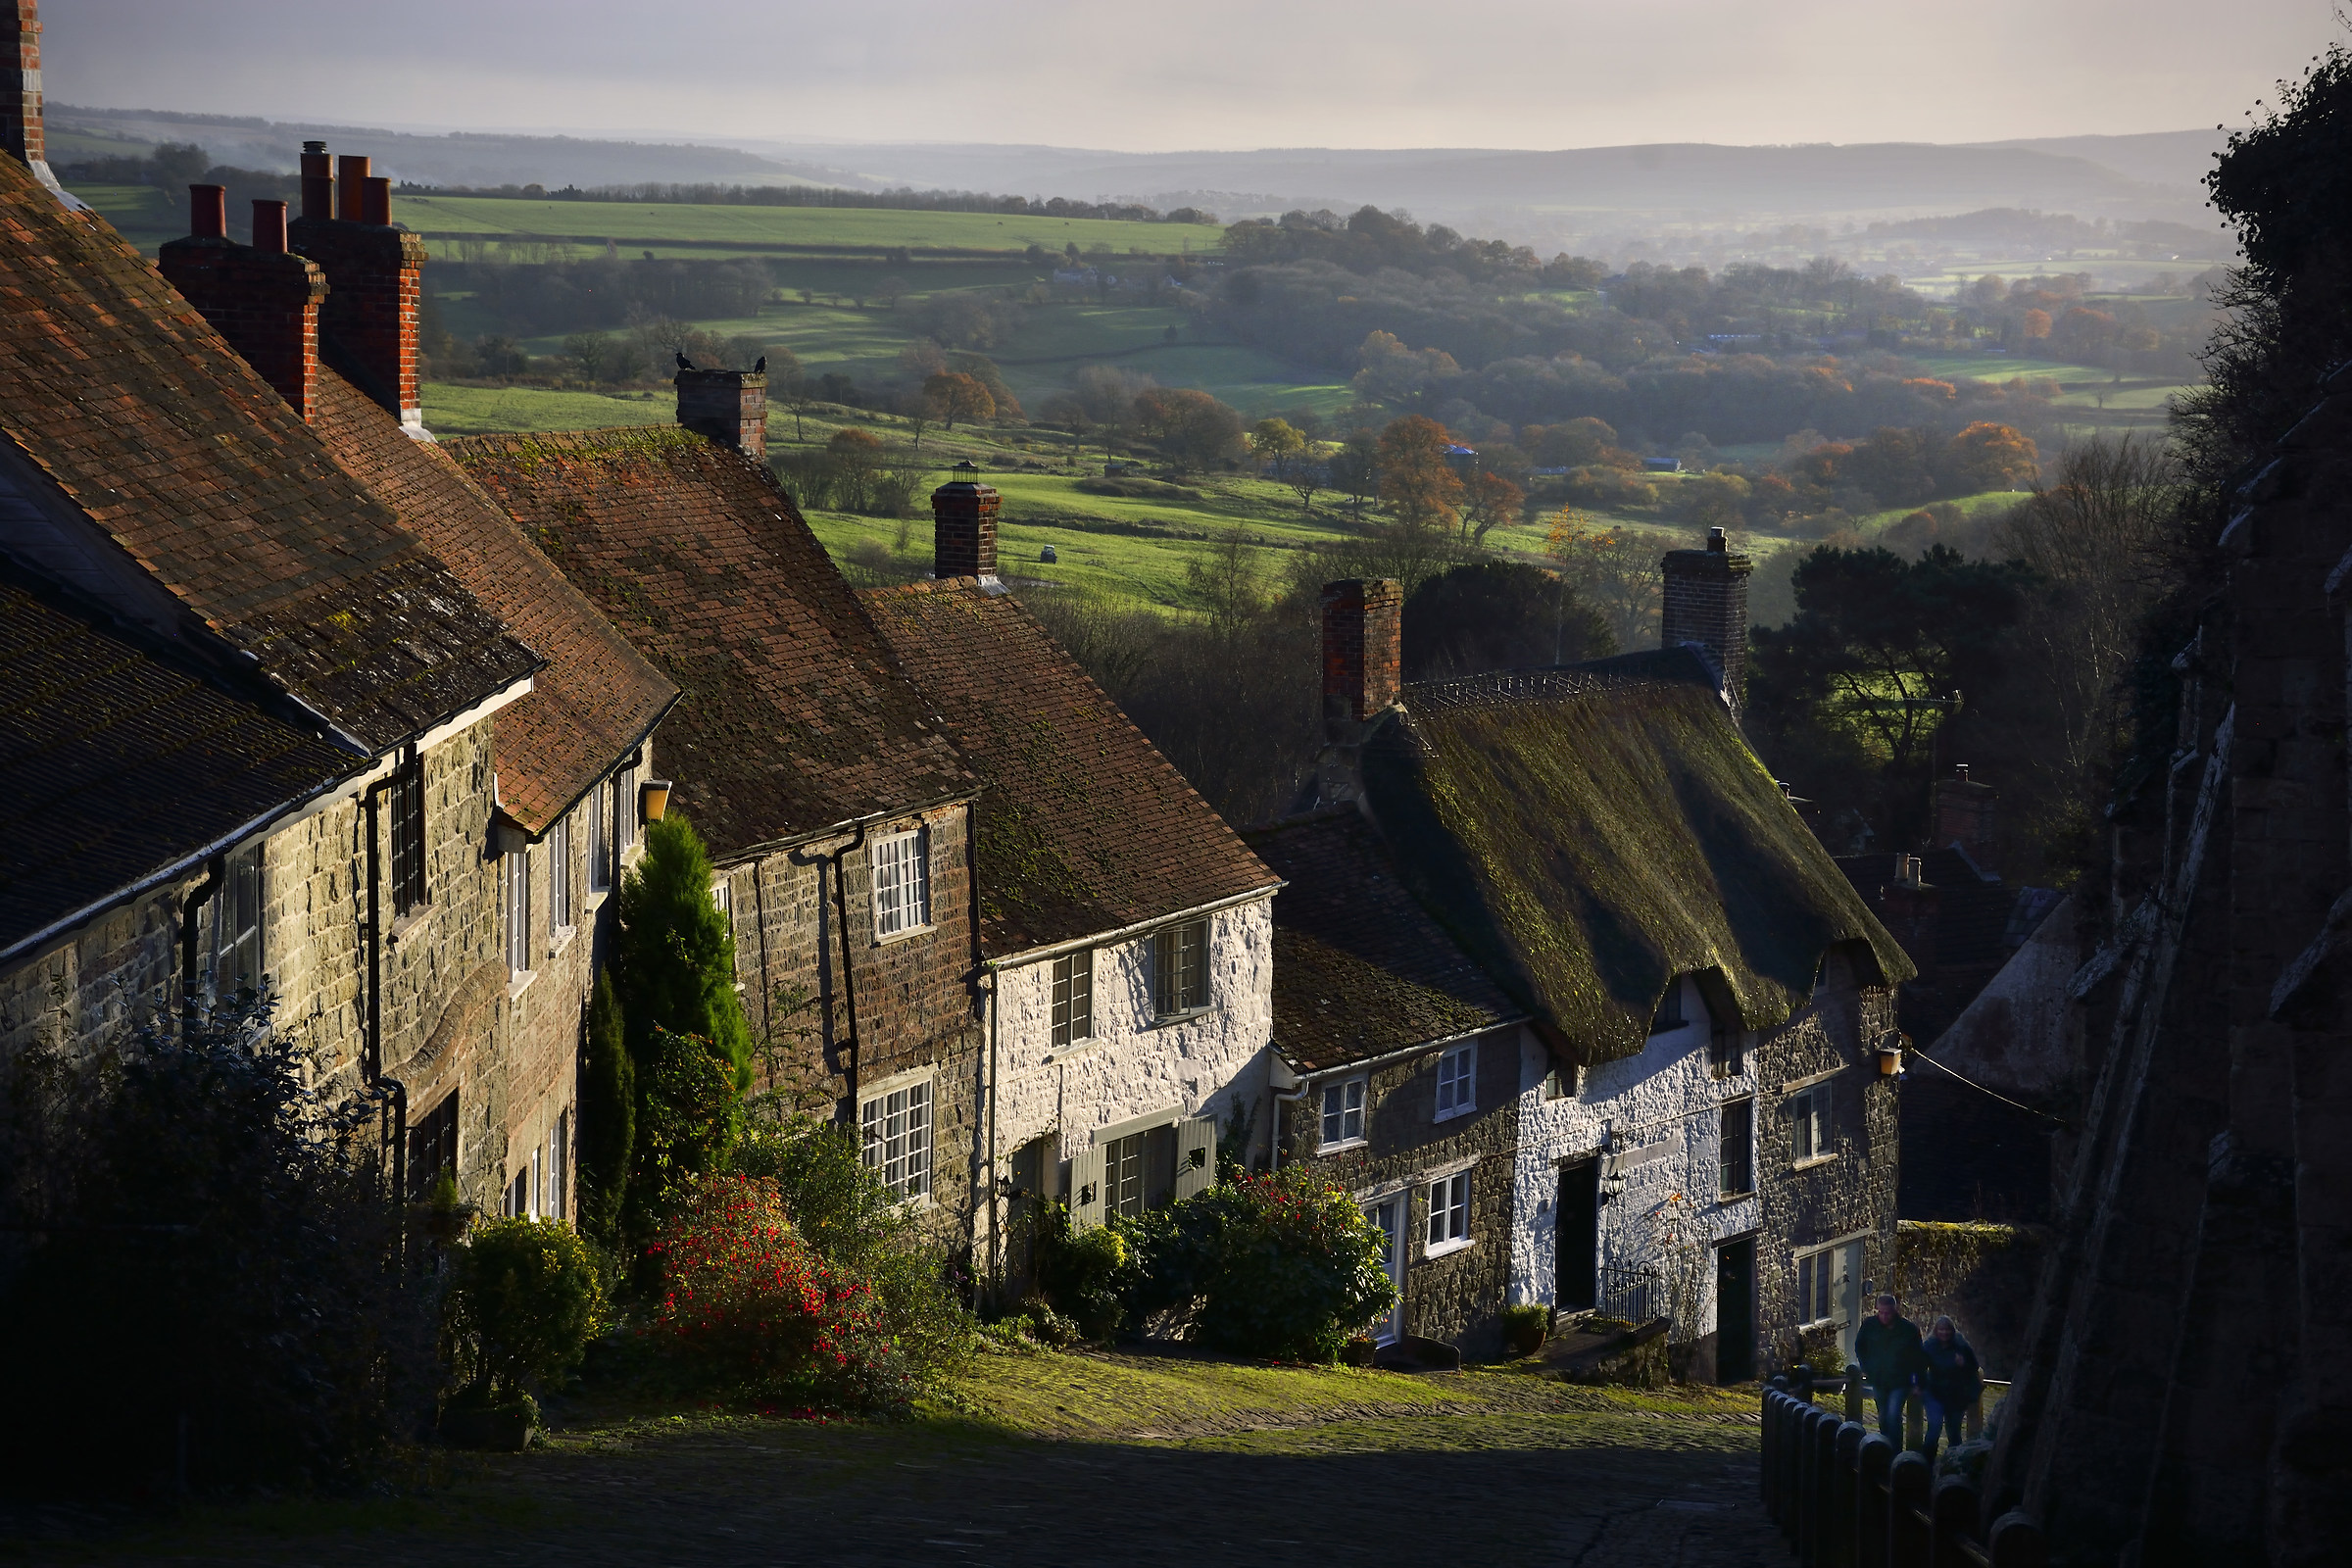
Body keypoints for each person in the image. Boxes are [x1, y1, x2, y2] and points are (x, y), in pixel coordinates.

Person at [1853, 1293, 1928, 1446]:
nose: (1884, 1316)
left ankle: (1895, 1450)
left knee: (1894, 1415)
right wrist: (1867, 1367)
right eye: (1881, 1312)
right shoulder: (1870, 1325)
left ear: (1895, 1310)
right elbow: (1860, 1346)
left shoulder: (1908, 1330)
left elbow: (1919, 1359)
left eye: (1887, 1313)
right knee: (1883, 1417)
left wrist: (1918, 1383)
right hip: (1879, 1379)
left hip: (1900, 1380)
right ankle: (1885, 1446)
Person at [1920, 1314, 1983, 1462]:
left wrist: (1963, 1364)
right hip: (1934, 1392)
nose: (1944, 1333)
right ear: (1936, 1331)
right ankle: (1927, 1461)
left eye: (1947, 1330)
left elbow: (1974, 1367)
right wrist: (1916, 1384)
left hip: (1956, 1394)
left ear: (1952, 1331)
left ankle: (1954, 1463)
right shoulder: (1929, 1345)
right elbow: (1917, 1367)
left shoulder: (1961, 1346)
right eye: (1941, 1330)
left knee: (1954, 1432)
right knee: (1934, 1427)